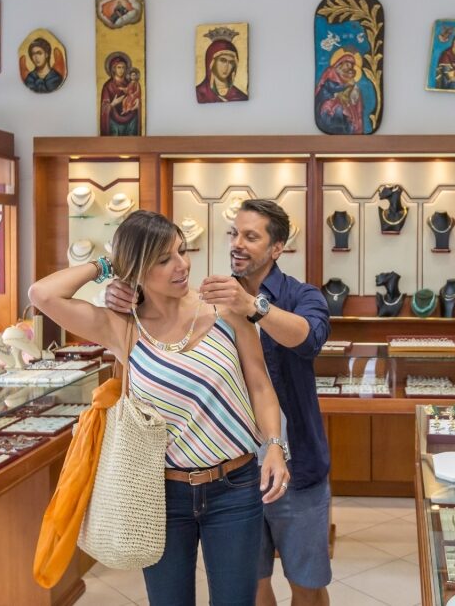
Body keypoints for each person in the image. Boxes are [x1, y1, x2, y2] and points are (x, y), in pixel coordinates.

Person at [29, 210, 290, 606]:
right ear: (135, 268)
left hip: (234, 487)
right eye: (164, 259)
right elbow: (42, 295)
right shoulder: (122, 327)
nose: (182, 265)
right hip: (160, 493)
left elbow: (259, 384)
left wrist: (273, 444)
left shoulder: (225, 310)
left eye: (182, 252)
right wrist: (106, 264)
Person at [106, 200, 333, 606]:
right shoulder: (211, 300)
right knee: (253, 585)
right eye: (234, 234)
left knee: (306, 583)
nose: (237, 244)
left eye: (251, 236)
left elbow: (308, 338)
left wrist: (255, 308)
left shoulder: (299, 295)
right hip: (230, 470)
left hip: (293, 465)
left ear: (277, 247)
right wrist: (121, 282)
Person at [314, 48, 364, 135]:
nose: (350, 67)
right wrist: (346, 86)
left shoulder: (349, 77)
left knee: (347, 112)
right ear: (341, 62)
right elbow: (331, 86)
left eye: (352, 66)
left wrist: (353, 90)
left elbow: (353, 96)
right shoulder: (331, 71)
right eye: (348, 64)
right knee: (337, 108)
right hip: (327, 98)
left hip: (343, 101)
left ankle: (348, 128)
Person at [196, 39, 248, 103]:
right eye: (223, 60)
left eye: (231, 62)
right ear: (212, 63)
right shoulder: (200, 93)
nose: (226, 66)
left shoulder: (239, 95)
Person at [99, 54, 140, 136]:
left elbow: (137, 96)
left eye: (123, 67)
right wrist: (113, 103)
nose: (121, 70)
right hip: (114, 122)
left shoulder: (130, 83)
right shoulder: (108, 86)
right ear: (113, 69)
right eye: (119, 67)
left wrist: (138, 103)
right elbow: (104, 108)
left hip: (131, 119)